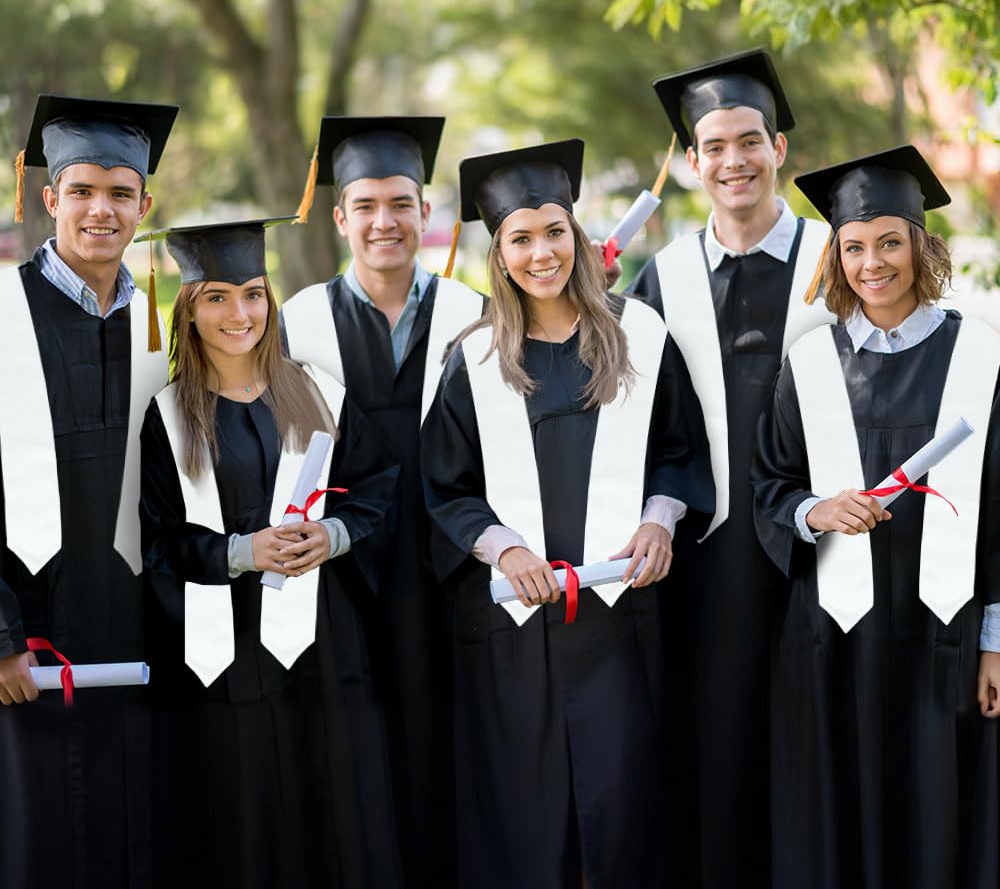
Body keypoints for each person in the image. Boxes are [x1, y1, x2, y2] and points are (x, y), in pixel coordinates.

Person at [422, 139, 714, 888]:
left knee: (624, 814)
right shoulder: (477, 356)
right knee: (524, 819)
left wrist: (660, 517)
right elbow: (446, 488)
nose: (541, 251)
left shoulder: (640, 335)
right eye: (520, 238)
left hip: (621, 622)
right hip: (515, 629)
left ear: (577, 237)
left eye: (554, 231)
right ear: (500, 252)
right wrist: (501, 546)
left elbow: (679, 452)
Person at [752, 146, 1000, 889]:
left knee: (940, 808)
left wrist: (997, 642)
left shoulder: (980, 358)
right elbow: (772, 483)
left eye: (889, 241)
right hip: (834, 636)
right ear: (836, 256)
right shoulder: (811, 363)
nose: (872, 263)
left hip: (945, 638)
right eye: (853, 247)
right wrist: (814, 510)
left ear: (920, 245)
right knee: (844, 811)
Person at [138, 216, 403, 888]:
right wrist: (241, 551)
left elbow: (379, 488)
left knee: (336, 806)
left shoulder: (316, 392)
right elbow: (160, 540)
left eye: (253, 293)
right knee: (247, 818)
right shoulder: (169, 416)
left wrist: (334, 533)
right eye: (218, 297)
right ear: (190, 309)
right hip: (227, 658)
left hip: (326, 644)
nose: (240, 312)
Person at [626, 49, 834, 888]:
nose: (734, 161)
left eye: (750, 141)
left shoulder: (839, 259)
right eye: (714, 147)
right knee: (714, 742)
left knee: (818, 735)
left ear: (779, 148)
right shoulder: (662, 277)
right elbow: (635, 426)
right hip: (708, 562)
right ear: (689, 163)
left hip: (827, 550)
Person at [281, 116, 482, 887]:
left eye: (401, 203)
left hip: (453, 570)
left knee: (449, 745)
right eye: (365, 205)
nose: (384, 221)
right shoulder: (295, 323)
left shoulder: (474, 315)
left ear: (424, 212)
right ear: (340, 217)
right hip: (342, 580)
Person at [0, 94, 176, 889]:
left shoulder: (159, 325)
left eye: (120, 192)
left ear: (145, 204)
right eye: (81, 190)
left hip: (132, 625)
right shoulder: (4, 312)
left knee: (127, 830)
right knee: (36, 835)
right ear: (49, 200)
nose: (101, 210)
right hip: (29, 633)